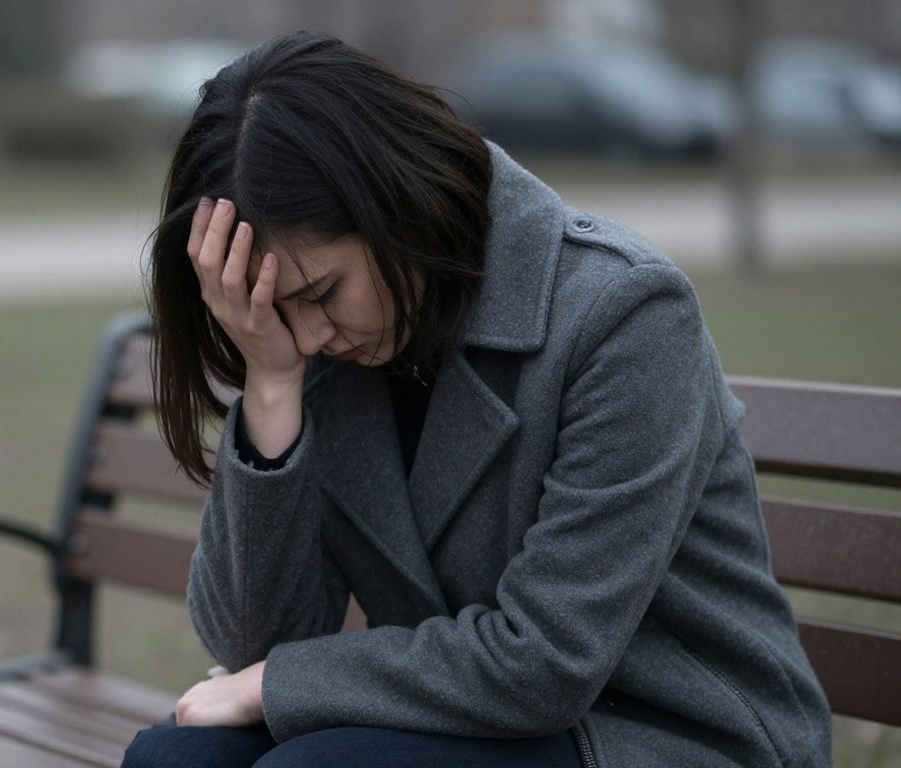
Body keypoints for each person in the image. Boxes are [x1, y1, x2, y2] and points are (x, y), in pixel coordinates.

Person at [125, 31, 831, 768]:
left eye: (321, 293)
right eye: (279, 309)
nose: (306, 333)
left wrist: (278, 683)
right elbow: (251, 644)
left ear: (396, 206)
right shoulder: (318, 351)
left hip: (672, 733)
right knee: (174, 761)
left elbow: (546, 663)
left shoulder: (622, 314)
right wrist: (270, 388)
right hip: (477, 718)